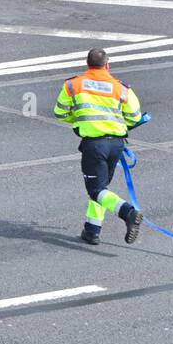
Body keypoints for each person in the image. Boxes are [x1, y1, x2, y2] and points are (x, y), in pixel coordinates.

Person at [54, 48, 145, 245]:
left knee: (96, 190)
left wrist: (79, 119)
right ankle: (92, 230)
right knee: (102, 188)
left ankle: (128, 213)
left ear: (87, 64)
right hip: (117, 145)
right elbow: (135, 117)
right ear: (107, 65)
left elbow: (59, 113)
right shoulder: (121, 88)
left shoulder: (72, 85)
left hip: (94, 146)